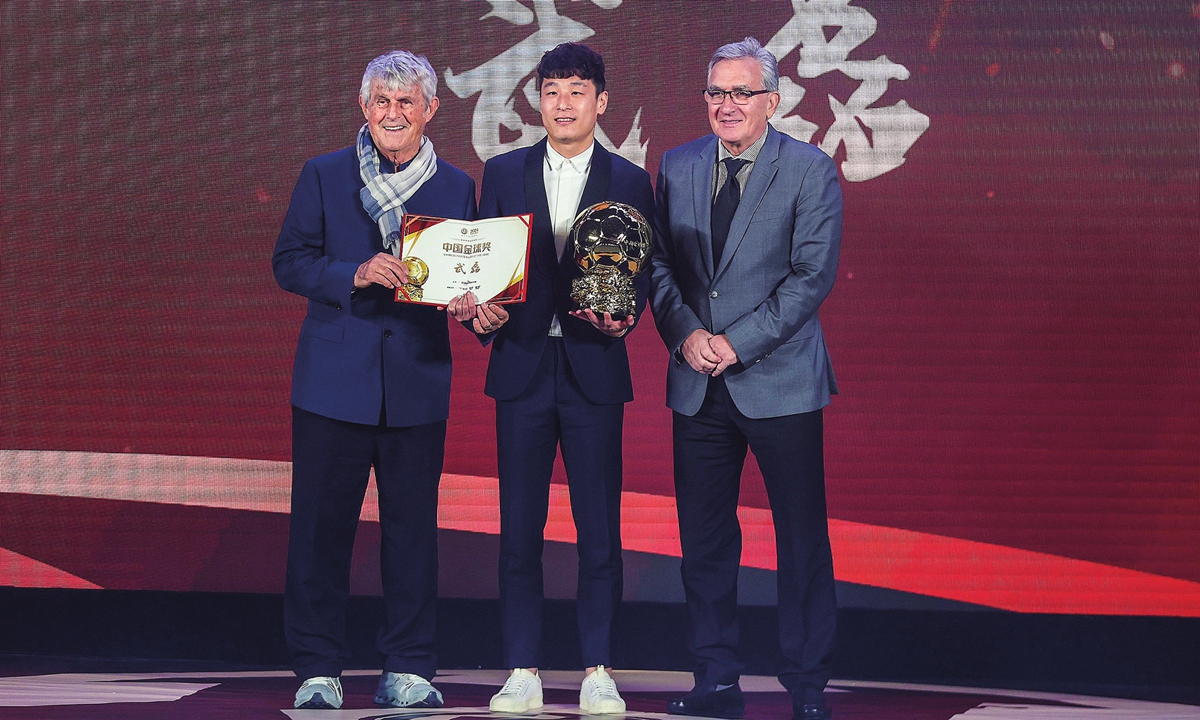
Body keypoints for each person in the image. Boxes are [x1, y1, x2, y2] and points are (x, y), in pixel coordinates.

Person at [446, 42, 654, 715]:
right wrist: (474, 313)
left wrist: (627, 317)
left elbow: (639, 275)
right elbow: (483, 271)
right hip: (523, 368)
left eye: (577, 91)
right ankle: (522, 670)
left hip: (595, 368)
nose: (563, 103)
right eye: (552, 90)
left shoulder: (630, 180)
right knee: (519, 531)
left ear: (602, 101)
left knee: (599, 531)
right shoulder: (502, 172)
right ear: (538, 101)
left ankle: (598, 669)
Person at [272, 50, 477, 710]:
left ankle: (410, 666)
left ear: (430, 111)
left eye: (407, 102)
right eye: (381, 102)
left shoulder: (455, 187)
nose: (393, 113)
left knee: (413, 533)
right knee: (320, 531)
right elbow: (291, 262)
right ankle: (317, 668)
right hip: (333, 381)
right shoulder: (324, 175)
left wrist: (480, 311)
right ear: (364, 108)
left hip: (417, 380)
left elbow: (467, 285)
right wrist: (353, 274)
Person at [648, 37, 843, 720]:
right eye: (716, 93)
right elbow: (659, 267)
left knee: (800, 539)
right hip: (697, 381)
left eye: (741, 93)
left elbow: (811, 275)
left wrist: (735, 342)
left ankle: (809, 684)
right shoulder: (676, 165)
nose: (726, 106)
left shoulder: (810, 169)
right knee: (703, 542)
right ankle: (715, 679)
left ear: (773, 100)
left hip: (781, 380)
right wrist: (687, 335)